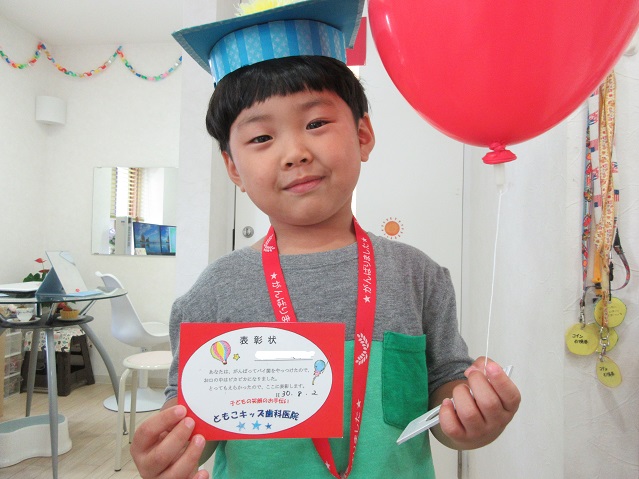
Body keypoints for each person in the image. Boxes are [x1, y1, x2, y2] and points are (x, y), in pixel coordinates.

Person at [130, 1, 520, 478]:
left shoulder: (417, 275)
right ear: (233, 167)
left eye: (316, 124)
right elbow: (194, 422)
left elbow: (444, 394)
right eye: (261, 138)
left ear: (363, 134)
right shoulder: (214, 291)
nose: (294, 153)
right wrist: (165, 451)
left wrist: (473, 418)